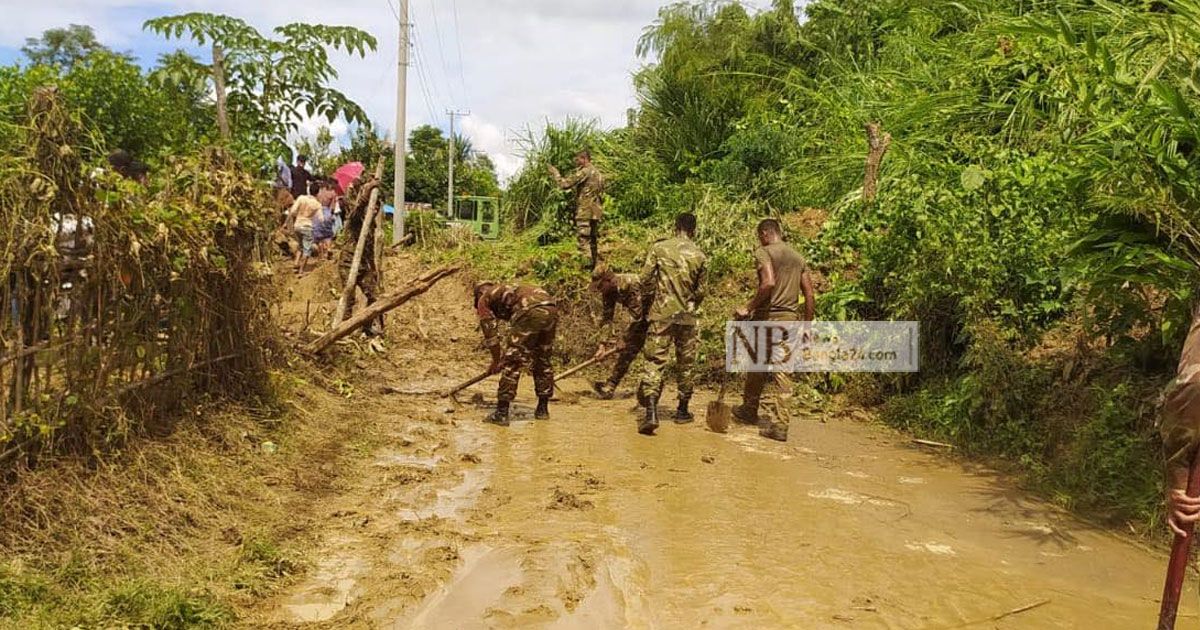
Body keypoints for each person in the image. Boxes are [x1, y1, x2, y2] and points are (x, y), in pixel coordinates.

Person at [732, 219, 816, 443]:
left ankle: (750, 409)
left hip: (768, 319)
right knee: (782, 373)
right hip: (790, 322)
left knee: (757, 365)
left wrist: (747, 307)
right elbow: (809, 294)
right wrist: (807, 326)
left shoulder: (764, 252)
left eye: (760, 236)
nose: (759, 240)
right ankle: (780, 425)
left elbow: (768, 283)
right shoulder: (798, 257)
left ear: (766, 233)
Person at [636, 213, 707, 436]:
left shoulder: (659, 249)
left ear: (675, 227)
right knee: (686, 363)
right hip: (687, 316)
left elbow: (644, 279)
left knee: (654, 361)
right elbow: (701, 292)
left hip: (661, 314)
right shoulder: (700, 255)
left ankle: (651, 413)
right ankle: (683, 411)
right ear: (693, 230)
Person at [474, 282, 559, 426]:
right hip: (551, 308)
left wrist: (496, 361)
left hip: (530, 310)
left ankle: (501, 413)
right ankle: (542, 410)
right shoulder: (508, 288)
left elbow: (491, 337)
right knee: (543, 358)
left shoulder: (484, 299)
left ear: (478, 294)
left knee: (513, 360)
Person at [589, 264, 650, 402]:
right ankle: (610, 386)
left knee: (652, 353)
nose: (599, 290)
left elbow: (635, 315)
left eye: (599, 286)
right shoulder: (608, 292)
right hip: (640, 319)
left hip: (656, 316)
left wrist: (623, 338)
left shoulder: (631, 283)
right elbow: (607, 319)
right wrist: (602, 345)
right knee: (628, 351)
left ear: (608, 280)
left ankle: (650, 390)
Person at [339, 175, 383, 334]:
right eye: (374, 205)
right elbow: (356, 211)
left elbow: (370, 248)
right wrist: (366, 191)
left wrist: (373, 268)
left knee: (375, 295)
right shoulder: (356, 217)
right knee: (349, 299)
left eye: (378, 205)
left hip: (364, 265)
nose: (376, 208)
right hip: (348, 263)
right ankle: (342, 331)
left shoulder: (372, 224)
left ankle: (368, 326)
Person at [548, 150, 604, 269]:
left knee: (583, 240)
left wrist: (555, 174)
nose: (576, 162)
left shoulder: (584, 172)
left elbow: (565, 185)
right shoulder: (598, 173)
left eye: (578, 160)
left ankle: (586, 267)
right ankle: (595, 266)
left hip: (585, 210)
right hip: (596, 211)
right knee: (593, 240)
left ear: (584, 159)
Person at [287, 194, 322, 275]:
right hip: (307, 227)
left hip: (297, 226)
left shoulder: (301, 198)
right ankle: (301, 271)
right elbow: (320, 219)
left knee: (300, 245)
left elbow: (292, 211)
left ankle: (296, 263)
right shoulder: (317, 204)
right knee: (307, 249)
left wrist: (299, 215)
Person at [314, 180, 338, 259]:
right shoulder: (333, 193)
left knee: (319, 235)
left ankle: (322, 256)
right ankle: (329, 248)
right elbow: (333, 207)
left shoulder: (319, 192)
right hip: (327, 213)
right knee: (328, 235)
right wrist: (331, 215)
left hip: (318, 213)